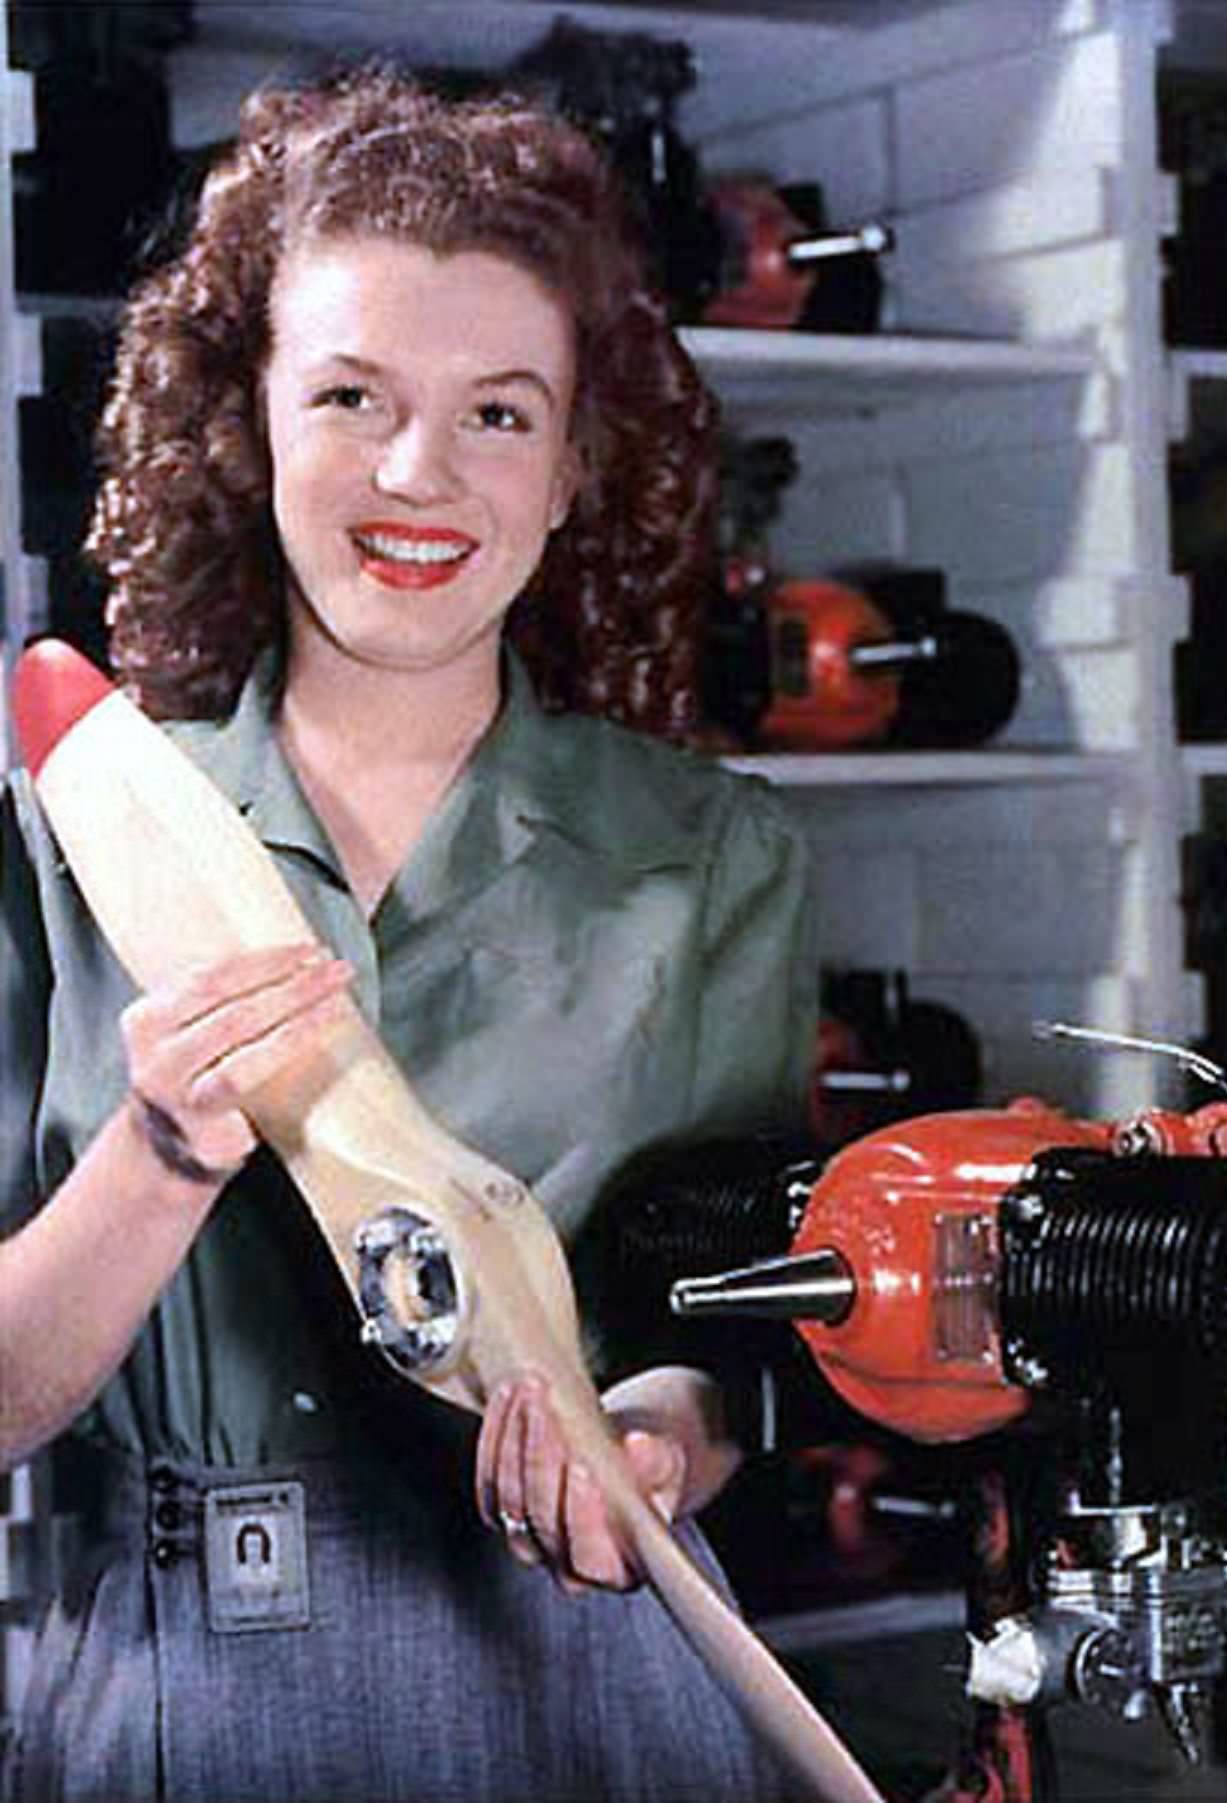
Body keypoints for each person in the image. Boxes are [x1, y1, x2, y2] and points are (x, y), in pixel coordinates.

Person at [0, 64, 816, 1802]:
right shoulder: (58, 850)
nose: (418, 474)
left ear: (582, 458)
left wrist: (658, 1446)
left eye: (500, 413)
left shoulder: (717, 859)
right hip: (162, 1705)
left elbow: (727, 1325)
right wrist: (154, 1156)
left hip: (585, 1683)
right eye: (352, 395)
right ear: (250, 419)